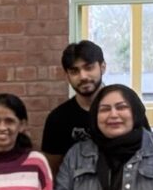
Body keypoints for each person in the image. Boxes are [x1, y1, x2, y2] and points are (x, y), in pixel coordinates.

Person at [41, 40, 106, 176]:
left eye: (88, 68)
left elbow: (146, 153)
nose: (83, 76)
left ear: (102, 67)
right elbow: (52, 174)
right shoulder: (57, 119)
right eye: (74, 71)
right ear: (67, 76)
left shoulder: (126, 109)